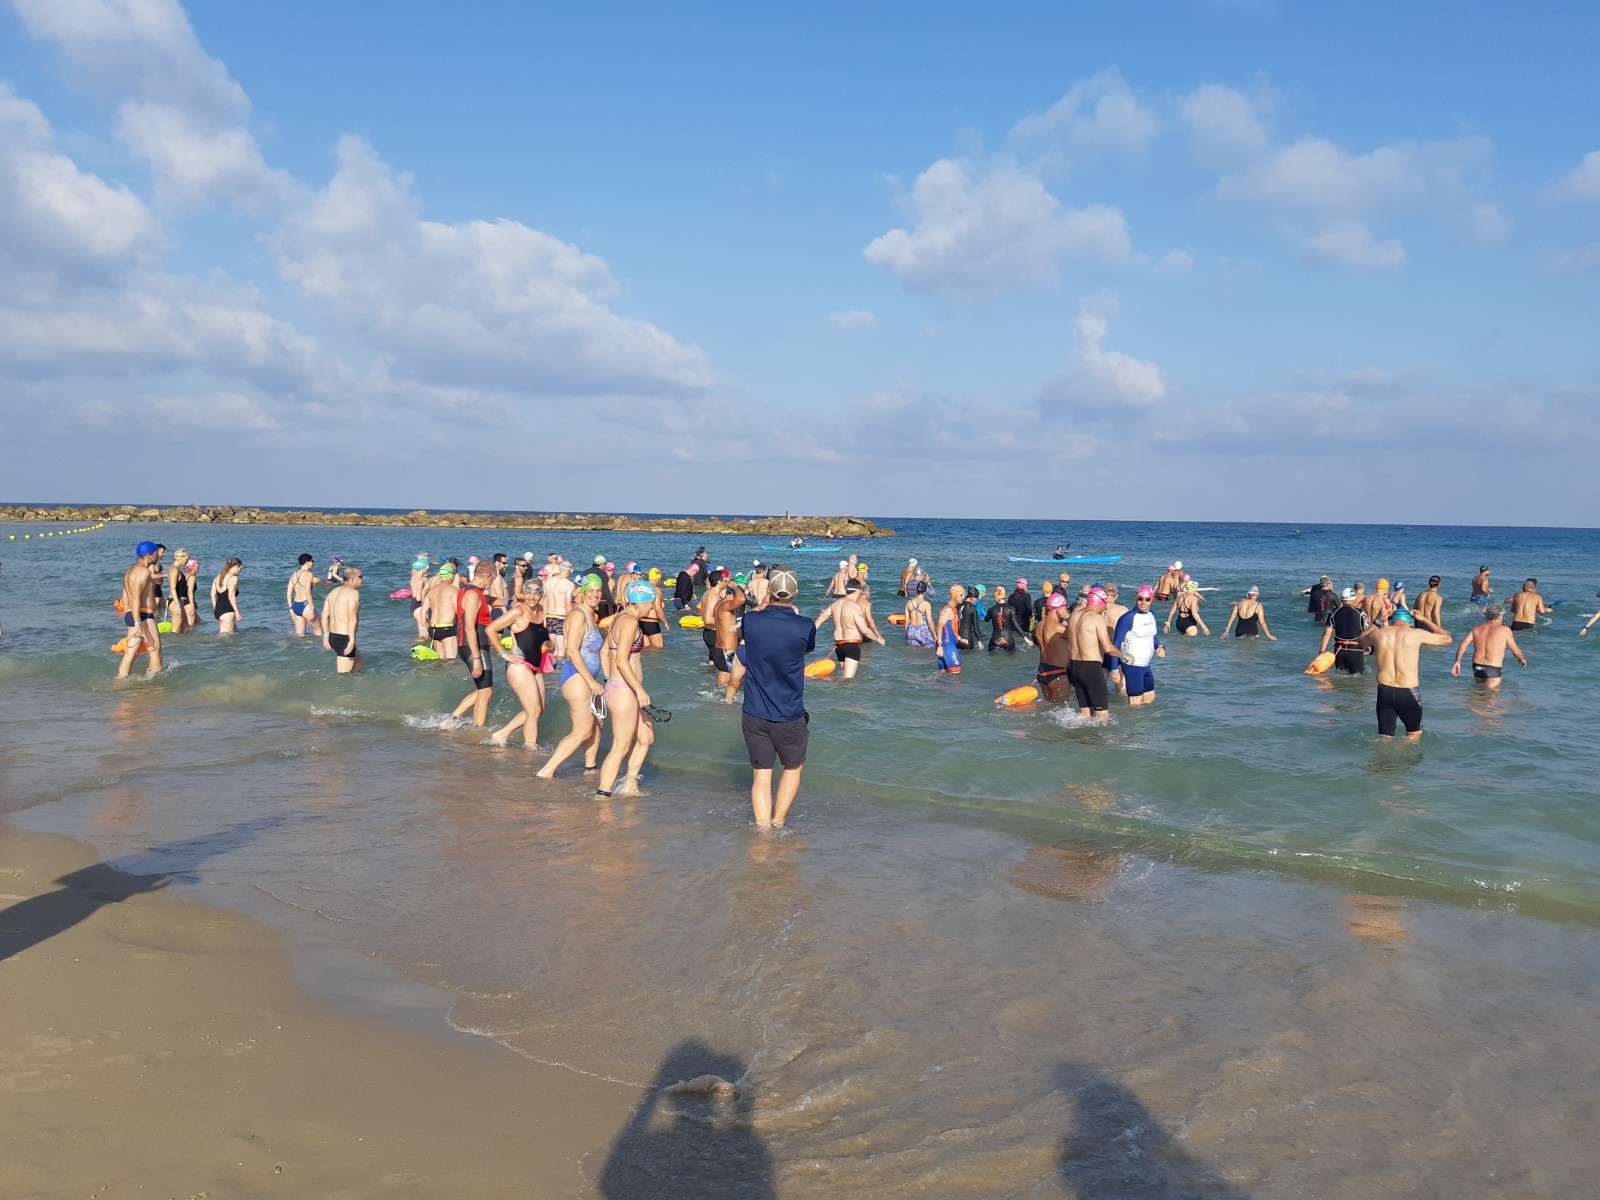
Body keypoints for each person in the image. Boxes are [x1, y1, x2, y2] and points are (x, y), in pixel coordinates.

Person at [739, 567, 814, 829]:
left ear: (768, 592)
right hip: (789, 712)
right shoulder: (805, 625)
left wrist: (763, 605)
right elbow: (807, 648)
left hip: (754, 711)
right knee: (792, 768)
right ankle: (778, 822)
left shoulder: (751, 621)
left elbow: (751, 624)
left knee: (761, 774)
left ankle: (762, 828)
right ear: (796, 594)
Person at [595, 581, 660, 798]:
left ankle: (629, 786)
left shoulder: (620, 617)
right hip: (625, 690)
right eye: (651, 603)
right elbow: (622, 661)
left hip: (621, 688)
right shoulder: (630, 622)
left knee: (646, 737)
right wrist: (639, 690)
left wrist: (608, 680)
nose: (652, 607)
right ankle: (602, 795)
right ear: (640, 602)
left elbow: (604, 652)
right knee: (621, 746)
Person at [536, 578, 605, 777]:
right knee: (582, 730)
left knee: (597, 723)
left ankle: (590, 768)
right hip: (577, 678)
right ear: (582, 592)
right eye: (590, 590)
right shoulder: (578, 615)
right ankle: (546, 770)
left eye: (598, 590)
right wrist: (591, 682)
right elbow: (572, 651)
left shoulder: (591, 615)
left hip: (588, 679)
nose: (594, 594)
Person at [1358, 612, 1451, 740]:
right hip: (1408, 691)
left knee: (1385, 737)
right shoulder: (1416, 634)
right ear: (1410, 621)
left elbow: (1361, 641)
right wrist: (1423, 619)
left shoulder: (1378, 634)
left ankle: (1385, 753)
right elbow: (1447, 639)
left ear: (1392, 620)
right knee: (1414, 734)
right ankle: (1405, 752)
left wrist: (1377, 621)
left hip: (1385, 691)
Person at [487, 581, 549, 746]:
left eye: (536, 593)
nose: (532, 597)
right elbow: (490, 629)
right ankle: (530, 749)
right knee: (533, 712)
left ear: (542, 594)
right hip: (519, 665)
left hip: (536, 666)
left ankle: (501, 734)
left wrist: (549, 645)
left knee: (539, 710)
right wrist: (505, 654)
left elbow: (541, 637)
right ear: (523, 594)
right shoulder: (517, 612)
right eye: (528, 592)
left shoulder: (541, 611)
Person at [450, 564, 496, 727]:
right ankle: (477, 731)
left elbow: (488, 600)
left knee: (483, 690)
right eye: (494, 579)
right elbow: (469, 627)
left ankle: (451, 720)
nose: (493, 582)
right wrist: (476, 658)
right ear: (488, 576)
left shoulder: (473, 591)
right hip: (474, 647)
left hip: (475, 646)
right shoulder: (472, 594)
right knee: (486, 692)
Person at [815, 579, 884, 679]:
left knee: (843, 677)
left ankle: (829, 683)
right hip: (852, 644)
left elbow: (820, 618)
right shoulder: (854, 606)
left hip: (839, 645)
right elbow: (864, 630)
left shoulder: (835, 604)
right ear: (858, 591)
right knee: (848, 680)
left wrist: (810, 634)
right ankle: (830, 683)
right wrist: (878, 639)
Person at [1066, 590, 1118, 720]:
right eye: (1105, 604)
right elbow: (1108, 648)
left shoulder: (1074, 615)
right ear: (1101, 602)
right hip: (1091, 668)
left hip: (1075, 667)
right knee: (1102, 716)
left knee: (1085, 715)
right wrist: (1125, 656)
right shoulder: (1096, 618)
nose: (1106, 608)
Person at [116, 541, 164, 678]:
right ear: (148, 555)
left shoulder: (130, 571)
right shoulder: (144, 572)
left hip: (133, 614)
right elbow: (136, 597)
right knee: (155, 651)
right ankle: (154, 681)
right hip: (143, 616)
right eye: (156, 553)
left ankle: (121, 680)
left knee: (130, 654)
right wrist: (138, 622)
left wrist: (130, 614)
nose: (158, 556)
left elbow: (126, 596)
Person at [1451, 604, 1526, 689]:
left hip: (1477, 667)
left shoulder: (1477, 628)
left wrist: (1457, 662)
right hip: (1492, 668)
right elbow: (1515, 650)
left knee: (1478, 693)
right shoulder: (1505, 630)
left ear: (1486, 616)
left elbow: (1463, 645)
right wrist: (1521, 658)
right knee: (1491, 695)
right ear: (1500, 617)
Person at [1112, 585, 1165, 707]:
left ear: (1152, 599)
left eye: (1147, 599)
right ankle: (1129, 720)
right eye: (1140, 598)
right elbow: (1116, 644)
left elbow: (1151, 636)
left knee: (1150, 699)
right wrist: (1114, 669)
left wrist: (1160, 646)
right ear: (1136, 597)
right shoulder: (1127, 618)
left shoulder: (1152, 615)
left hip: (1145, 665)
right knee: (1135, 704)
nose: (1143, 602)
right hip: (1132, 666)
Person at [322, 565, 364, 673]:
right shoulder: (353, 594)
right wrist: (352, 640)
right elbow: (352, 618)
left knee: (359, 662)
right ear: (352, 579)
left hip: (333, 636)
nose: (363, 579)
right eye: (361, 577)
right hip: (345, 638)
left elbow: (324, 615)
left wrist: (326, 636)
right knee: (343, 676)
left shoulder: (333, 592)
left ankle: (356, 682)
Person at [1317, 587, 1370, 675]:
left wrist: (1321, 651)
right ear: (1354, 599)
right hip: (1355, 649)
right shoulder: (1361, 613)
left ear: (1342, 599)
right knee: (1357, 677)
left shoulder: (1333, 613)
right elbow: (1367, 631)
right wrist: (1369, 646)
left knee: (1340, 674)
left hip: (1339, 649)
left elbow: (1327, 633)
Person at [709, 574, 747, 690]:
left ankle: (720, 699)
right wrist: (735, 586)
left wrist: (738, 624)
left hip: (720, 649)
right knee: (731, 685)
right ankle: (725, 701)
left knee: (724, 686)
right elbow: (741, 599)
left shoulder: (719, 604)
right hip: (726, 651)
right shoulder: (726, 605)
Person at [1033, 592, 1072, 701]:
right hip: (1057, 672)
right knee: (1061, 708)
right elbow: (1079, 633)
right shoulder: (1058, 628)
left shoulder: (1039, 625)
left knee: (1049, 707)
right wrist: (1068, 617)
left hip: (1042, 671)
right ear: (1060, 610)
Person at [422, 563, 461, 660]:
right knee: (451, 660)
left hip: (433, 629)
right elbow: (459, 611)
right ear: (451, 576)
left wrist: (423, 627)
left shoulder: (432, 591)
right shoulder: (453, 590)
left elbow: (423, 610)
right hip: (447, 628)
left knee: (441, 660)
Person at [286, 553, 323, 637]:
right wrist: (312, 609)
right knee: (319, 633)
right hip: (306, 605)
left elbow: (288, 593)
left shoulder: (293, 575)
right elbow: (307, 593)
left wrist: (291, 609)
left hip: (296, 607)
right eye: (312, 561)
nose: (313, 563)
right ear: (307, 562)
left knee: (300, 637)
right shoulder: (309, 574)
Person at [544, 560, 575, 659]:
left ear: (560, 569)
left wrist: (544, 617)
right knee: (561, 652)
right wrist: (571, 621)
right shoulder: (569, 584)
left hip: (549, 616)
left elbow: (544, 600)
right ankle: (560, 669)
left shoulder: (548, 582)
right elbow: (568, 604)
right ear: (571, 571)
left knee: (556, 650)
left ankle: (552, 667)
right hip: (561, 617)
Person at [210, 558, 243, 635]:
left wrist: (216, 609)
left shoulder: (218, 576)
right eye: (240, 567)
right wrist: (237, 612)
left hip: (218, 610)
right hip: (228, 611)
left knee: (237, 633)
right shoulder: (233, 578)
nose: (240, 570)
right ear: (236, 566)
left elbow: (212, 594)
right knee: (224, 638)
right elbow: (231, 596)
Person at [936, 584, 964, 673]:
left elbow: (949, 628)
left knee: (943, 675)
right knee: (955, 676)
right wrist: (939, 646)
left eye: (964, 595)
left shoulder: (951, 608)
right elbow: (939, 627)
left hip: (947, 646)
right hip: (948, 647)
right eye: (961, 595)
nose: (963, 597)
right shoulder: (948, 610)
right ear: (954, 595)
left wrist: (959, 638)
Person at [164, 549, 192, 634]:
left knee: (186, 628)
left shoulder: (177, 569)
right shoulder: (174, 570)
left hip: (179, 601)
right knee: (176, 629)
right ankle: (172, 641)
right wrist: (177, 604)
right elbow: (173, 588)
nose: (187, 562)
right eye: (186, 559)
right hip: (175, 601)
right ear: (181, 558)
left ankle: (182, 642)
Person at [987, 584, 1020, 651]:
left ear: (996, 597)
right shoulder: (1011, 609)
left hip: (994, 641)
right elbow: (1016, 624)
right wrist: (1025, 637)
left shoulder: (991, 610)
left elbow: (986, 619)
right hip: (1008, 640)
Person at [903, 580, 936, 646]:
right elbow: (930, 622)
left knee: (914, 650)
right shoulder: (926, 604)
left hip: (911, 630)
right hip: (922, 631)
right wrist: (935, 634)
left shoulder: (909, 603)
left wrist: (906, 633)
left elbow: (906, 620)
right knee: (931, 648)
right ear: (925, 591)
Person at [408, 555, 432, 641]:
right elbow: (419, 598)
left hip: (414, 606)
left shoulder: (413, 578)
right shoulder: (420, 580)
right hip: (420, 606)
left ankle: (418, 646)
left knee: (422, 633)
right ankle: (419, 645)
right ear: (424, 569)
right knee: (425, 634)